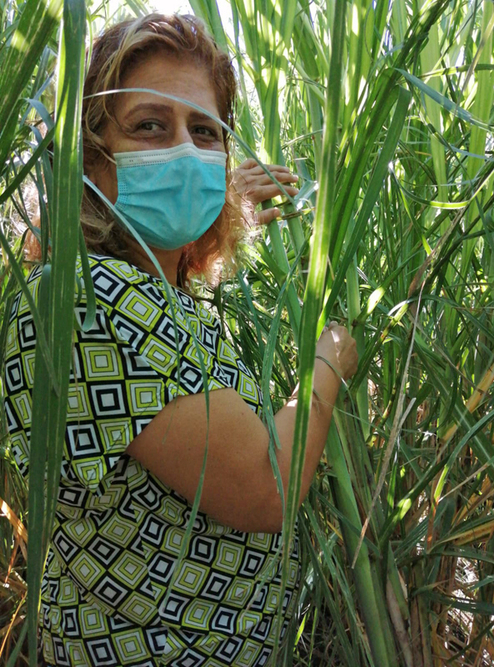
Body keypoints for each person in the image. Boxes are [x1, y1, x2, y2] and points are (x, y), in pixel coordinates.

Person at [3, 13, 358, 667]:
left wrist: (225, 221)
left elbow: (172, 352)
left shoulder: (157, 296)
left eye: (205, 132)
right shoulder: (82, 296)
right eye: (149, 125)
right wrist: (329, 358)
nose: (186, 152)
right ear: (89, 154)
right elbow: (264, 487)